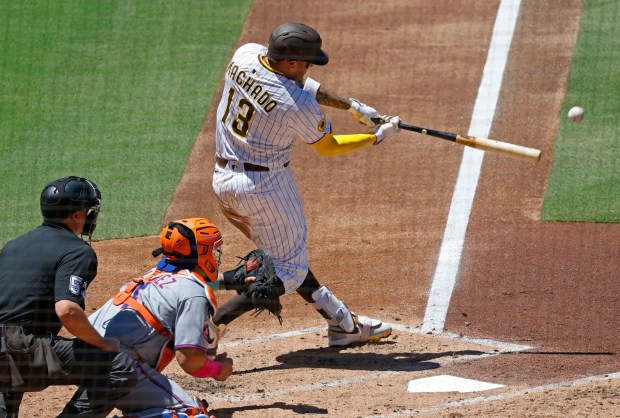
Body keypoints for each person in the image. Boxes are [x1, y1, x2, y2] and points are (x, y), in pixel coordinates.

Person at [211, 22, 401, 346]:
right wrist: (375, 137)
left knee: (286, 256)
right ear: (290, 63)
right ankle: (210, 313)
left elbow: (303, 84)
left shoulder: (246, 55)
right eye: (307, 62)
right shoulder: (294, 104)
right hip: (265, 188)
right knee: (286, 271)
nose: (310, 67)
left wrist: (352, 107)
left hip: (223, 180)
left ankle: (341, 321)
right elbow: (328, 146)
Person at [0, 176, 136, 417]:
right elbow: (67, 310)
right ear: (76, 215)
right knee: (119, 365)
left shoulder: (14, 245)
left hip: (7, 349)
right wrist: (103, 343)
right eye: (88, 211)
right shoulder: (77, 251)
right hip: (20, 346)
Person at [69, 217, 232, 417]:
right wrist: (219, 369)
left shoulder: (156, 272)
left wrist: (234, 280)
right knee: (191, 413)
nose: (216, 255)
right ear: (202, 253)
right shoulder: (194, 293)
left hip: (77, 356)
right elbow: (189, 360)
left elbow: (189, 285)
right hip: (116, 366)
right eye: (212, 250)